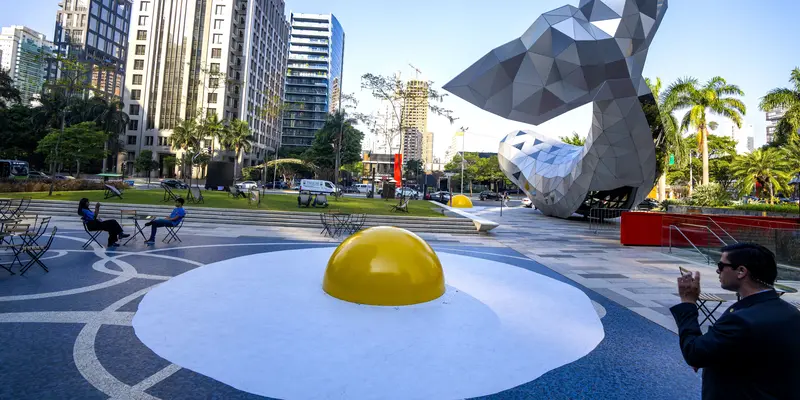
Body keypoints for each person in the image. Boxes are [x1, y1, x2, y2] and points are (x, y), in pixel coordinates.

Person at [670, 243, 800, 400]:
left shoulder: (740, 319)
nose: (718, 270)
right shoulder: (791, 313)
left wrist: (688, 302)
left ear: (741, 271)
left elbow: (694, 352)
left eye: (721, 265)